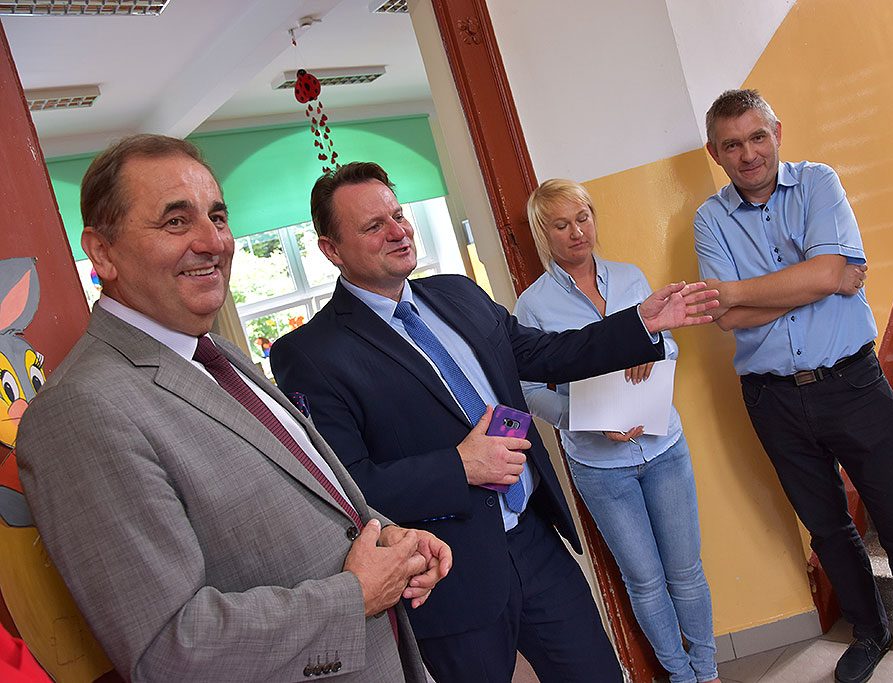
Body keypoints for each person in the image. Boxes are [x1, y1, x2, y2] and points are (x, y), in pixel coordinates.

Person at [16, 135, 451, 682]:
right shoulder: (80, 411)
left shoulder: (216, 351)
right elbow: (168, 651)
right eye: (176, 221)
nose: (213, 242)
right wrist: (356, 595)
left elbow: (309, 492)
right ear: (102, 253)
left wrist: (386, 535)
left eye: (217, 217)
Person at [269, 162, 719, 683]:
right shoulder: (311, 353)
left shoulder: (457, 294)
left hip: (534, 541)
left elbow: (549, 354)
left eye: (398, 215)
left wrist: (639, 323)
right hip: (447, 572)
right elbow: (347, 485)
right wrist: (458, 466)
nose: (398, 231)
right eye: (374, 226)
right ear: (332, 249)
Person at [693, 89, 893, 683]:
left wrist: (752, 290)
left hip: (852, 384)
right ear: (714, 153)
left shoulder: (819, 182)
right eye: (732, 144)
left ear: (777, 133)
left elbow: (808, 278)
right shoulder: (709, 218)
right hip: (771, 398)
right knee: (828, 529)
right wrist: (817, 280)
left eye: (757, 137)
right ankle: (871, 632)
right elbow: (726, 315)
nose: (748, 154)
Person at [513, 179, 719, 683]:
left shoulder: (630, 278)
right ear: (543, 234)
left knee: (686, 571)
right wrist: (585, 419)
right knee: (644, 581)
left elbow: (670, 344)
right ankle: (681, 677)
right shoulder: (532, 306)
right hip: (601, 468)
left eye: (582, 218)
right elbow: (528, 390)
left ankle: (708, 671)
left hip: (664, 447)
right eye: (561, 225)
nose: (576, 232)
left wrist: (654, 350)